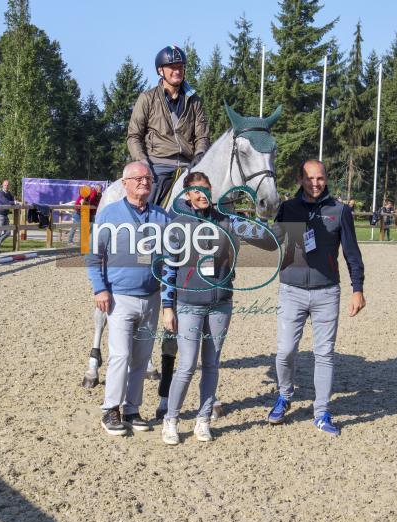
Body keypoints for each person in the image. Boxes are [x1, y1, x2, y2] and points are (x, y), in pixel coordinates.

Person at [159, 172, 268, 445]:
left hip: (221, 303)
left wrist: (264, 212)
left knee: (212, 364)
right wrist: (167, 307)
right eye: (195, 190)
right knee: (186, 365)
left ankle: (203, 419)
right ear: (187, 195)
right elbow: (168, 268)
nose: (201, 194)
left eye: (205, 189)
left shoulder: (227, 221)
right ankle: (171, 419)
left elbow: (263, 237)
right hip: (189, 303)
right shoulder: (178, 225)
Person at [263, 160, 366, 436]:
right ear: (300, 179)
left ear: (326, 179)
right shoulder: (288, 208)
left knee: (325, 354)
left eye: (320, 178)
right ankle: (285, 395)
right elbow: (273, 243)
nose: (315, 183)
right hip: (291, 291)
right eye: (309, 178)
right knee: (285, 351)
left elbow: (352, 254)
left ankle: (321, 412)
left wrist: (358, 289)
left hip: (326, 293)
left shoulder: (340, 211)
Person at [87, 161, 173, 436]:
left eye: (148, 178)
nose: (145, 182)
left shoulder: (161, 217)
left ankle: (132, 408)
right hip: (119, 296)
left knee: (141, 357)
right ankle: (110, 409)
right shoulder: (109, 215)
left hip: (151, 297)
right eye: (138, 178)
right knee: (120, 354)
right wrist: (100, 288)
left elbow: (172, 259)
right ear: (124, 184)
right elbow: (93, 256)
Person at [127, 45, 210, 207]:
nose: (177, 71)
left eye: (180, 67)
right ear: (160, 71)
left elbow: (202, 136)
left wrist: (200, 154)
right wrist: (143, 162)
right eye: (172, 67)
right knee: (144, 206)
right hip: (158, 165)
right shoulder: (147, 98)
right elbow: (134, 136)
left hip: (189, 165)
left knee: (208, 201)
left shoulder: (195, 101)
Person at [0, 180, 17, 254]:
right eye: (5, 185)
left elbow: (13, 201)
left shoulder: (9, 193)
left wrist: (16, 203)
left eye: (7, 185)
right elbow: (5, 201)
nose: (6, 186)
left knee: (8, 232)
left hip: (5, 215)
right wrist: (14, 202)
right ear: (2, 185)